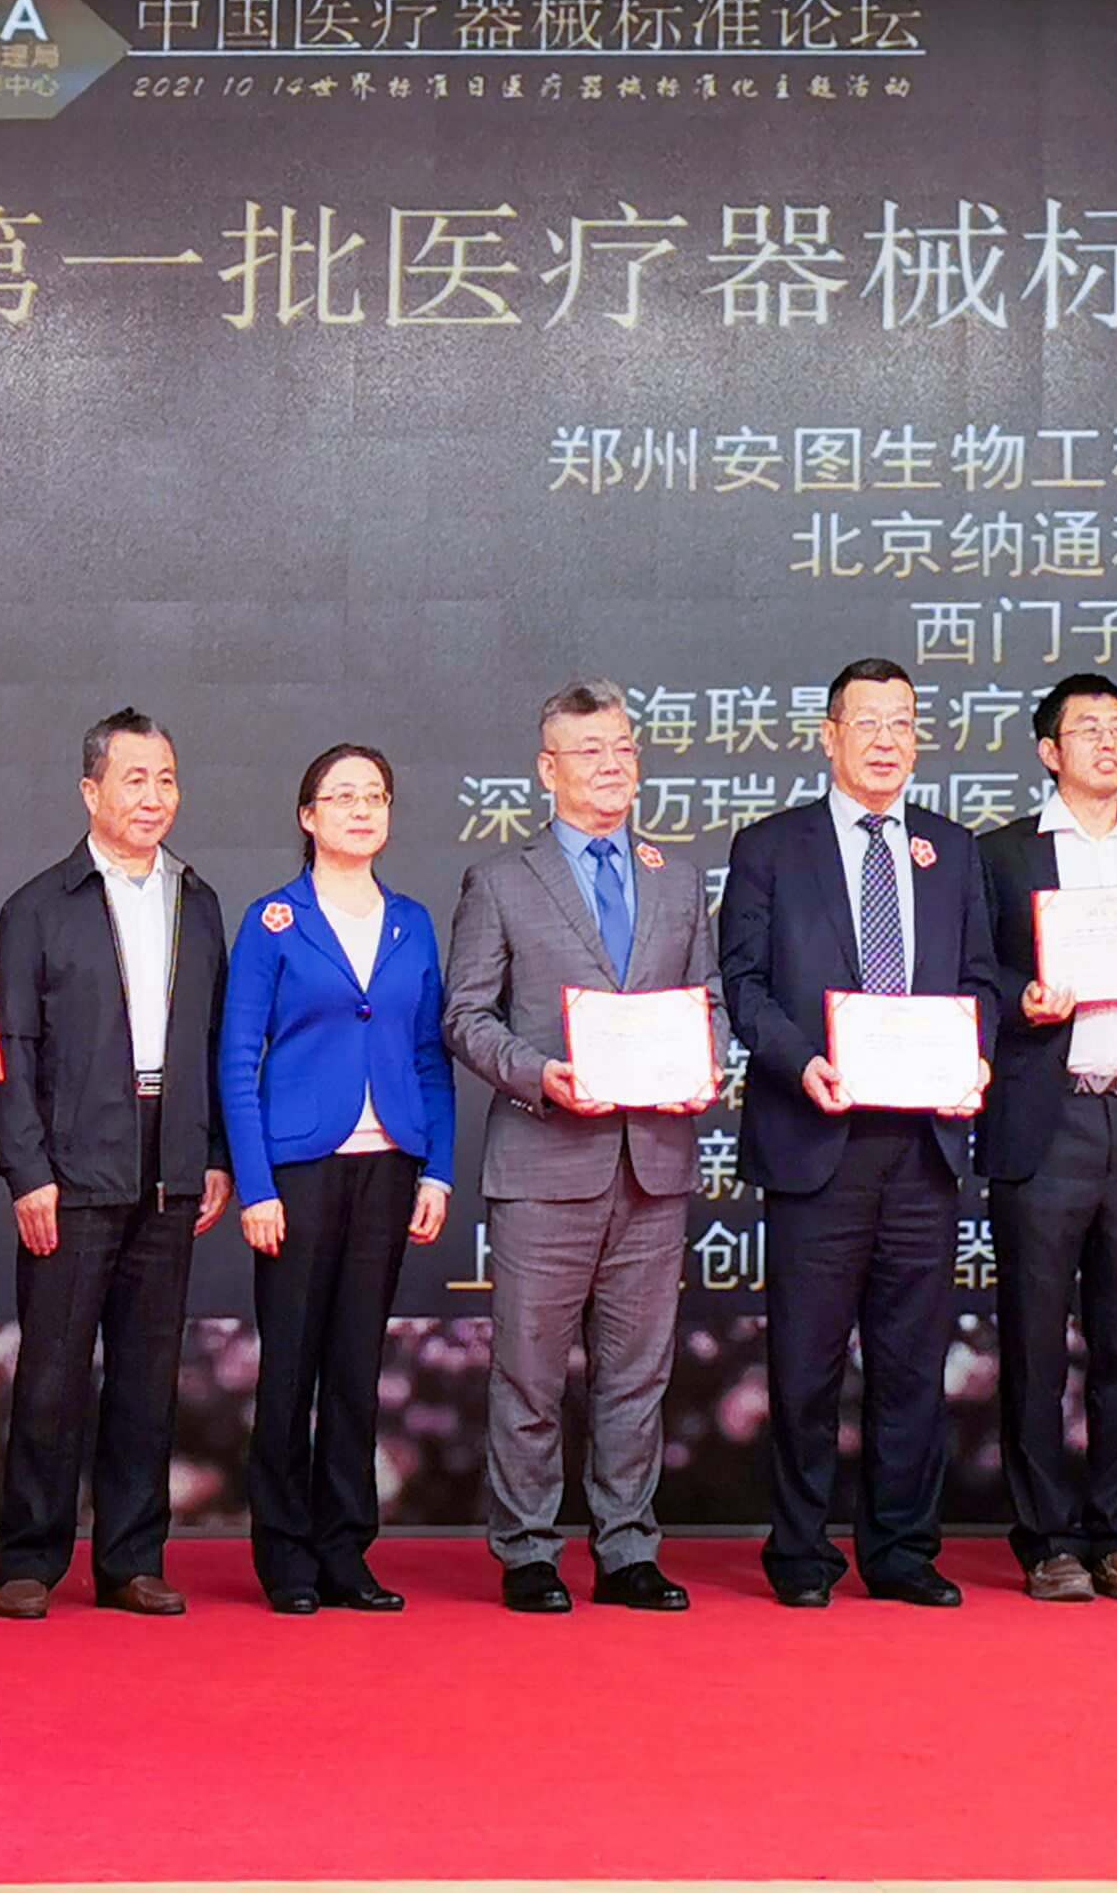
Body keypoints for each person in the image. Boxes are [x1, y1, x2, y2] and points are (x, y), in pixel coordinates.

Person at [721, 657, 998, 1608]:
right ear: (830, 736)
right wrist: (803, 1063)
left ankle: (903, 1550)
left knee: (914, 1364)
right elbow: (744, 986)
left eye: (903, 722)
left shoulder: (951, 850)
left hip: (923, 1147)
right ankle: (801, 1553)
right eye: (868, 722)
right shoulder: (771, 846)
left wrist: (976, 1057)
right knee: (805, 1364)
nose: (887, 740)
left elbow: (981, 981)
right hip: (817, 1138)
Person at [445, 681, 722, 1616]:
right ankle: (528, 1550)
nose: (612, 766)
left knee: (636, 1374)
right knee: (529, 1372)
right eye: (590, 751)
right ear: (547, 769)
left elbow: (709, 1000)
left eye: (624, 749)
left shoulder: (677, 879)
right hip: (545, 1162)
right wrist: (539, 1074)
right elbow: (465, 1016)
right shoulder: (502, 880)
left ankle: (628, 1548)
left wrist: (704, 1064)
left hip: (654, 1161)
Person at [0, 709, 232, 1620]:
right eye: (134, 779)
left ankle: (132, 1558)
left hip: (171, 1160)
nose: (153, 797)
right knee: (51, 1373)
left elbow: (215, 1040)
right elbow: (9, 1051)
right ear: (90, 791)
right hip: (72, 1163)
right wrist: (28, 1172)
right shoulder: (38, 907)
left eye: (166, 778)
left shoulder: (198, 901)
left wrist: (212, 1154)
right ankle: (29, 1557)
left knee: (147, 1374)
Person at [975, 673, 1117, 1603]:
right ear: (1048, 752)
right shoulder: (1003, 855)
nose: (1108, 743)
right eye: (1087, 729)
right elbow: (974, 975)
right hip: (1048, 1116)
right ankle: (1045, 1539)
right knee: (1034, 1338)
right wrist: (1021, 1002)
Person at [222, 744, 455, 1616]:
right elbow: (237, 1059)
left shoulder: (412, 923)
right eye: (342, 796)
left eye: (375, 796)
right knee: (289, 1367)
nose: (361, 810)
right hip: (298, 1171)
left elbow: (430, 1056)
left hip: (388, 1167)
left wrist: (437, 1169)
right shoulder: (273, 920)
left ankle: (346, 1550)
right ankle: (284, 1554)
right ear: (307, 816)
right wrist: (255, 1186)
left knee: (358, 1367)